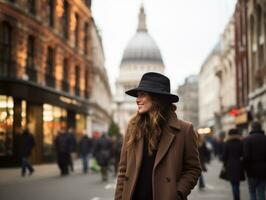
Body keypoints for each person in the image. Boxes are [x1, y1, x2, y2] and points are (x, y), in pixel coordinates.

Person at [114, 72, 201, 200]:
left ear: (156, 98)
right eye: (138, 95)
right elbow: (123, 170)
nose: (137, 99)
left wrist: (177, 193)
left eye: (142, 95)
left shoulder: (184, 130)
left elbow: (193, 169)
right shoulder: (133, 127)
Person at [243, 121, 266, 200]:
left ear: (252, 128)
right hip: (264, 170)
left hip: (251, 171)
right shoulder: (264, 138)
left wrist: (245, 169)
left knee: (252, 192)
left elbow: (246, 156)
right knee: (262, 192)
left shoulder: (247, 140)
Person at [221, 128, 245, 200]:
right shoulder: (241, 143)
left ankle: (236, 198)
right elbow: (243, 154)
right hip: (239, 164)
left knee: (233, 183)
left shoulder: (227, 143)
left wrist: (224, 162)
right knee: (237, 183)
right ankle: (237, 197)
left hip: (230, 165)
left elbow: (224, 156)